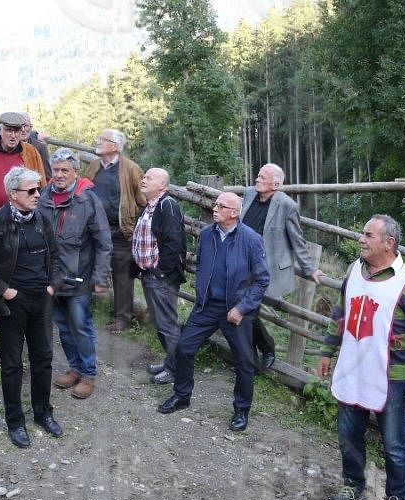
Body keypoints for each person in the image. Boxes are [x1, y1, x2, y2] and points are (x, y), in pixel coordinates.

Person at [318, 215, 405, 500]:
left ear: (388, 242)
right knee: (348, 434)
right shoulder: (355, 271)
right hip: (353, 368)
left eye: (368, 235)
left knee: (394, 443)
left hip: (391, 376)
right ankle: (352, 483)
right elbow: (340, 314)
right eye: (362, 233)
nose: (361, 239)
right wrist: (327, 350)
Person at [158, 191, 268, 432]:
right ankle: (182, 395)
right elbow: (203, 266)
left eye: (221, 205)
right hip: (207, 306)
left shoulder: (251, 239)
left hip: (236, 309)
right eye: (215, 204)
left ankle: (241, 410)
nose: (215, 208)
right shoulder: (207, 235)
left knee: (245, 361)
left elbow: (261, 281)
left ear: (234, 212)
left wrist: (242, 308)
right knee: (184, 348)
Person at [0, 166, 63, 449]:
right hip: (12, 302)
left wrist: (51, 286)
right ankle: (15, 421)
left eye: (39, 190)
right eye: (31, 191)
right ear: (12, 194)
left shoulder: (42, 220)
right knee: (12, 364)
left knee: (43, 358)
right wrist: (4, 290)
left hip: (41, 300)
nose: (37, 195)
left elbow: (57, 257)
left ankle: (43, 412)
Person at [39, 149, 111, 400]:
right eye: (56, 170)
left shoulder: (87, 200)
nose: (59, 175)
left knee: (81, 326)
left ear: (75, 173)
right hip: (51, 278)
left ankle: (89, 374)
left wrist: (100, 278)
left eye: (64, 171)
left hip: (79, 277)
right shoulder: (43, 196)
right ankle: (75, 368)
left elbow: (104, 242)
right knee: (63, 327)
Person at [240, 163, 322, 368]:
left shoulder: (287, 205)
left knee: (247, 311)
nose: (257, 179)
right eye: (258, 176)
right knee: (241, 310)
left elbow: (297, 239)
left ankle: (257, 356)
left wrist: (309, 268)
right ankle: (261, 350)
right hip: (240, 263)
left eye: (262, 177)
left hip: (262, 269)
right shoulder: (249, 194)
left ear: (275, 184)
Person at [82, 129, 144, 333]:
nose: (97, 142)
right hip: (94, 230)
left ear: (115, 146)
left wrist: (134, 225)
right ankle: (82, 307)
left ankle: (122, 318)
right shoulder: (93, 165)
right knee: (87, 266)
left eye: (102, 140)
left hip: (120, 231)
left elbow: (142, 199)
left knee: (122, 274)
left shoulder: (131, 169)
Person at [132, 168, 186, 385]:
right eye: (143, 177)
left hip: (160, 277)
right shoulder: (150, 206)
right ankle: (170, 362)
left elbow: (173, 244)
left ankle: (176, 370)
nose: (143, 180)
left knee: (167, 325)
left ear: (162, 185)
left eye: (149, 178)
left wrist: (160, 272)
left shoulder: (167, 206)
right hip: (150, 275)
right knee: (161, 323)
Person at [0, 111, 46, 222]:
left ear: (21, 132)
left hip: (23, 217)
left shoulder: (30, 152)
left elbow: (40, 184)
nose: (13, 136)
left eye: (16, 131)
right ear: (0, 130)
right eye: (9, 130)